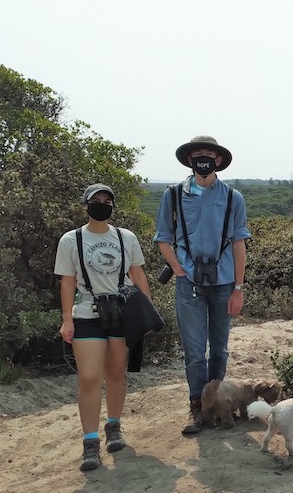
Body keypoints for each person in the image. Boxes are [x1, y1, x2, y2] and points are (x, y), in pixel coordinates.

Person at [154, 136, 250, 435]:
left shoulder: (233, 197)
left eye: (209, 154)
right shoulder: (173, 195)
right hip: (189, 283)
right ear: (189, 160)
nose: (204, 159)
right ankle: (197, 407)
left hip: (224, 282)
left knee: (220, 348)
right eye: (198, 155)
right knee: (194, 350)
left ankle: (217, 404)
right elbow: (163, 237)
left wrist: (238, 288)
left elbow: (239, 244)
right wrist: (177, 269)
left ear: (218, 160)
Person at [55, 184, 152, 471]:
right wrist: (67, 319)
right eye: (95, 200)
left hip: (122, 312)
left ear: (113, 205)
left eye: (107, 201)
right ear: (85, 204)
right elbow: (67, 281)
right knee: (89, 378)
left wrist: (147, 312)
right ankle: (90, 442)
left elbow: (137, 274)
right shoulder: (71, 240)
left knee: (116, 374)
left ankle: (114, 426)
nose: (101, 204)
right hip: (87, 313)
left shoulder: (126, 237)